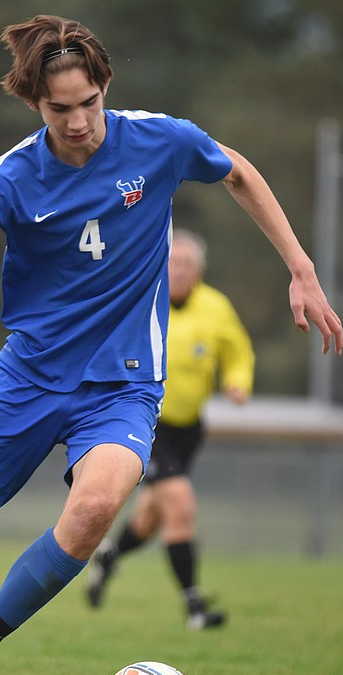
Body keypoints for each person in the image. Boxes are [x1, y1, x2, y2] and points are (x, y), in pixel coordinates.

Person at [0, 14, 343, 675]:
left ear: (105, 88)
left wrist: (302, 269)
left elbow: (239, 172)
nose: (77, 121)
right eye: (59, 109)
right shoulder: (11, 175)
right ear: (36, 105)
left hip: (124, 386)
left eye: (88, 103)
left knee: (95, 508)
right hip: (26, 380)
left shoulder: (158, 139)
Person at [86, 229, 254, 630]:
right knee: (180, 503)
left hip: (189, 429)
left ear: (198, 271)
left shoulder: (216, 307)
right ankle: (194, 608)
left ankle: (109, 556)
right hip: (147, 423)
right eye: (172, 262)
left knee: (150, 519)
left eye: (186, 264)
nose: (177, 270)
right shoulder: (144, 296)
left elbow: (238, 351)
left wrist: (238, 382)